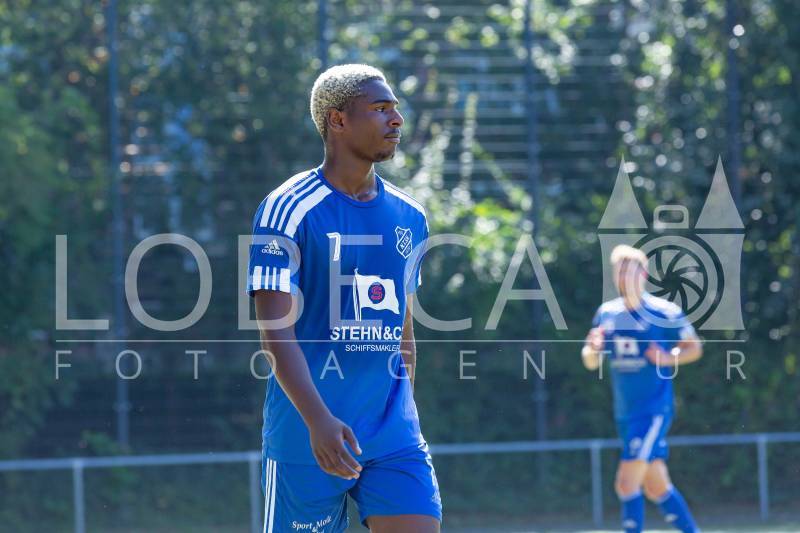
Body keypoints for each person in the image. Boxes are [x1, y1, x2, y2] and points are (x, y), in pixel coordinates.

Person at [246, 64, 441, 533]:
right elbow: (275, 333)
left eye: (396, 109)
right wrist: (318, 421)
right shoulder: (287, 209)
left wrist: (402, 415)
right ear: (337, 120)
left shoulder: (410, 216)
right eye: (380, 108)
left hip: (393, 439)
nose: (396, 119)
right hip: (305, 437)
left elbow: (404, 330)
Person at [582, 245, 703, 533]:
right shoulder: (607, 313)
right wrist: (593, 349)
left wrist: (667, 357)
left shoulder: (664, 312)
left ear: (644, 274)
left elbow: (694, 348)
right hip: (625, 413)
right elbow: (589, 361)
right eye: (619, 270)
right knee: (657, 487)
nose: (624, 275)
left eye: (630, 269)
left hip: (653, 410)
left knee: (626, 484)